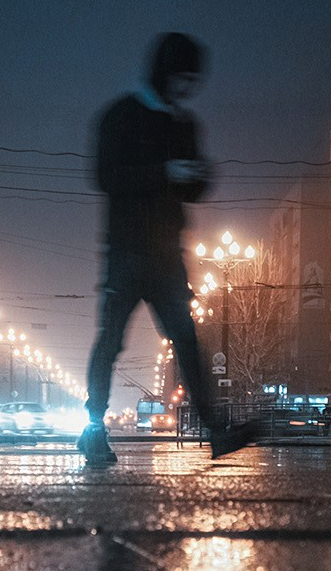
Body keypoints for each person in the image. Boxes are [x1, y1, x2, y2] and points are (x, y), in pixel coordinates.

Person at [80, 31, 259, 466]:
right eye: (180, 78)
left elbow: (193, 190)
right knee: (112, 342)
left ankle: (216, 430)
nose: (186, 90)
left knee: (187, 340)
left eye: (192, 82)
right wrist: (165, 171)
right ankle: (93, 429)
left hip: (166, 254)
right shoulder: (119, 116)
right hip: (125, 250)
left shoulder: (185, 125)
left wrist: (199, 175)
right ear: (163, 71)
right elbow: (105, 178)